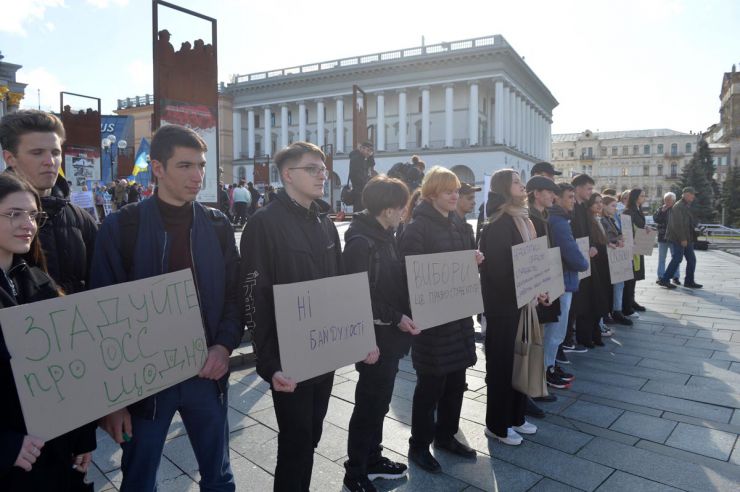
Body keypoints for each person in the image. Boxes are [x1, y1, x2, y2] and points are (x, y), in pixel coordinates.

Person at [91, 125, 242, 491]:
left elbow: (235, 295)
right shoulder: (120, 227)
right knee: (140, 480)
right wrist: (112, 402)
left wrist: (223, 346)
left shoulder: (217, 225)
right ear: (157, 168)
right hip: (145, 387)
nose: (198, 176)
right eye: (186, 165)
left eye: (202, 165)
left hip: (206, 375)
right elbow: (100, 314)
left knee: (219, 477)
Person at [240, 142, 353, 491]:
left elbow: (337, 288)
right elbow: (253, 297)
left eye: (323, 168)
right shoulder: (263, 224)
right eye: (312, 169)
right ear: (288, 175)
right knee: (296, 442)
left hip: (324, 353)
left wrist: (353, 337)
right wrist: (269, 363)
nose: (323, 174)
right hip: (288, 357)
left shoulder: (325, 222)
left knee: (312, 435)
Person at [0, 173, 96, 491]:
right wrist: (6, 446)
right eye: (14, 213)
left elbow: (68, 367)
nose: (28, 223)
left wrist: (83, 435)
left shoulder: (39, 281)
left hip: (54, 454)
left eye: (32, 214)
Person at [399, 166, 481, 472]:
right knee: (430, 386)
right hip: (433, 322)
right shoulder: (417, 227)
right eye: (449, 191)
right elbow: (410, 273)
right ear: (433, 193)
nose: (455, 196)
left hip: (458, 318)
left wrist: (473, 259)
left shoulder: (458, 224)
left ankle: (446, 435)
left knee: (456, 382)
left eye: (457, 191)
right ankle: (419, 445)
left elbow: (461, 263)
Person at [342, 176, 419, 492]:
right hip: (374, 337)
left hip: (390, 336)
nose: (404, 213)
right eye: (401, 207)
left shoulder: (387, 235)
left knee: (380, 402)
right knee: (369, 404)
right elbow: (356, 294)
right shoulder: (361, 242)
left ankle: (373, 458)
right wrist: (395, 317)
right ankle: (356, 469)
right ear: (388, 210)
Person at [0, 110, 98, 296]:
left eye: (55, 152)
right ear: (10, 158)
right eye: (37, 153)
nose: (50, 161)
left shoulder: (81, 219)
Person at [479, 169, 542, 446]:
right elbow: (499, 271)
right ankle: (497, 424)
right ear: (505, 188)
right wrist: (526, 287)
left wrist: (538, 288)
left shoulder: (524, 221)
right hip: (504, 307)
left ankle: (516, 416)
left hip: (523, 303)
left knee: (521, 360)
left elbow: (534, 260)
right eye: (516, 182)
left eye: (521, 181)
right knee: (503, 365)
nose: (522, 185)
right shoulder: (499, 223)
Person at [526, 177, 574, 391]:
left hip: (548, 280)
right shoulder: (530, 217)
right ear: (536, 193)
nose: (553, 197)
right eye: (548, 192)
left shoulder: (543, 216)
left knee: (547, 330)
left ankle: (545, 372)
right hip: (537, 286)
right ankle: (539, 376)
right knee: (539, 333)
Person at [544, 183, 590, 376]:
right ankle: (548, 369)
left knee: (556, 331)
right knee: (556, 332)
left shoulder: (557, 219)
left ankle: (550, 364)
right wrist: (584, 263)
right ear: (558, 198)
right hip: (563, 280)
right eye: (569, 197)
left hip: (561, 278)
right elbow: (569, 250)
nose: (573, 201)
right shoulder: (559, 221)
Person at [563, 174, 597, 354]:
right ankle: (567, 339)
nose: (591, 193)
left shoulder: (583, 207)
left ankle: (570, 336)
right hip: (573, 259)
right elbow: (571, 234)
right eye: (588, 189)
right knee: (572, 302)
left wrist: (590, 246)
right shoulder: (572, 208)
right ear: (577, 188)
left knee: (578, 301)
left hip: (582, 256)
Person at [580, 193, 611, 347]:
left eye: (601, 202)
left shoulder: (597, 219)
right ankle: (588, 335)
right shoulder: (588, 220)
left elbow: (602, 241)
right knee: (592, 301)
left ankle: (596, 333)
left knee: (598, 301)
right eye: (596, 202)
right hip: (594, 265)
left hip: (601, 265)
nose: (599, 205)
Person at [659, 187, 702, 289]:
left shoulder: (686, 205)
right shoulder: (678, 206)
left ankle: (689, 281)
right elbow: (678, 225)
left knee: (691, 259)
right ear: (686, 194)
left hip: (687, 237)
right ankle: (665, 280)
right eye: (692, 194)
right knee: (677, 258)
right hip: (678, 238)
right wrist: (683, 239)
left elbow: (689, 222)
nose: (694, 196)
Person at [601, 195, 632, 326]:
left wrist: (620, 239)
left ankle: (616, 310)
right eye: (612, 205)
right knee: (613, 286)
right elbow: (604, 237)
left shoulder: (610, 219)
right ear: (604, 206)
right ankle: (613, 311)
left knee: (619, 284)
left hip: (616, 255)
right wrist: (614, 241)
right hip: (610, 257)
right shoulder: (603, 220)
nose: (615, 208)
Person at [621, 188, 648, 315]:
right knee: (630, 278)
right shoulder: (628, 211)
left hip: (638, 247)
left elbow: (639, 225)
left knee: (634, 277)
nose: (644, 198)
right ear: (636, 197)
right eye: (642, 195)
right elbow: (627, 230)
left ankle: (631, 301)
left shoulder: (638, 210)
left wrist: (646, 228)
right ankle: (627, 306)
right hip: (632, 249)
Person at [653, 192, 681, 285]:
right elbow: (656, 219)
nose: (666, 202)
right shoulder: (660, 209)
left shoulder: (677, 209)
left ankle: (675, 277)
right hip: (662, 237)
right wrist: (662, 212)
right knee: (662, 258)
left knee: (675, 258)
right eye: (665, 200)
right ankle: (660, 276)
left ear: (674, 201)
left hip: (674, 238)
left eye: (669, 200)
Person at [348, 141, 376, 209]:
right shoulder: (356, 158)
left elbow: (372, 163)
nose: (369, 153)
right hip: (359, 191)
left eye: (371, 151)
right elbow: (356, 175)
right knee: (360, 210)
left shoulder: (362, 158)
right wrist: (366, 184)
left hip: (361, 190)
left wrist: (370, 156)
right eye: (368, 150)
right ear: (362, 149)